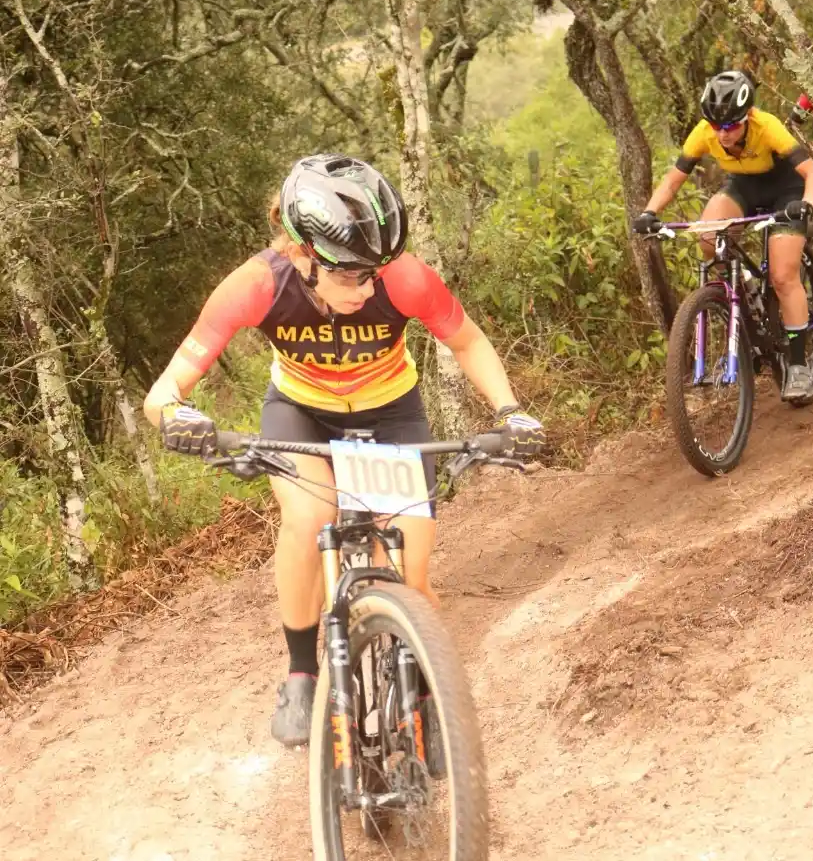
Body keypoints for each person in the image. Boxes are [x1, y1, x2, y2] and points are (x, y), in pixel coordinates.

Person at [143, 154, 544, 746]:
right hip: (300, 414)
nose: (369, 285)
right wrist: (181, 417)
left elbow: (468, 341)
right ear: (307, 256)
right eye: (352, 274)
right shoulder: (258, 283)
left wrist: (510, 410)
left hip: (392, 414)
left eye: (374, 271)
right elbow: (163, 392)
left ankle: (430, 691)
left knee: (411, 569)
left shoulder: (404, 277)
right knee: (310, 516)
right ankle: (302, 672)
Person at [634, 70, 813, 401]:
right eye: (715, 126)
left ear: (748, 116)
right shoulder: (704, 132)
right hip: (742, 188)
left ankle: (797, 365)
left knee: (782, 276)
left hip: (786, 191)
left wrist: (806, 205)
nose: (722, 134)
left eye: (731, 125)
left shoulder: (768, 127)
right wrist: (649, 213)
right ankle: (743, 300)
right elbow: (673, 180)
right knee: (708, 240)